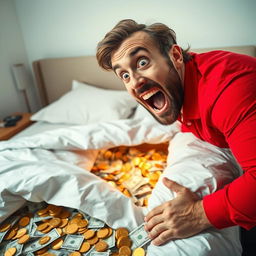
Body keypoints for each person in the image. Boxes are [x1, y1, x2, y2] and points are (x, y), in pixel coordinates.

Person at [96, 19, 256, 246]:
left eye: (142, 62)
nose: (135, 82)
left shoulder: (227, 91)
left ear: (176, 56)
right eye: (124, 75)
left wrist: (199, 213)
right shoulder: (178, 91)